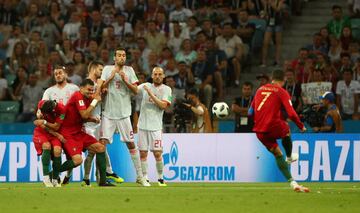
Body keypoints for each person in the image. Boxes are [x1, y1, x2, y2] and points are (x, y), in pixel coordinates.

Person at [249, 69, 309, 192]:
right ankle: (289, 156)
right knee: (286, 128)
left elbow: (250, 112)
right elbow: (291, 114)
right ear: (284, 80)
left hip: (259, 131)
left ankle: (293, 183)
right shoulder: (281, 91)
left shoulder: (259, 89)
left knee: (277, 153)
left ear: (272, 78)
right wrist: (301, 126)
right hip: (271, 125)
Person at [97, 47, 149, 186]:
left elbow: (136, 91)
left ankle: (140, 176)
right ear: (114, 58)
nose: (121, 57)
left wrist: (126, 80)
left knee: (131, 143)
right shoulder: (107, 69)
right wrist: (111, 77)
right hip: (108, 113)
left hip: (124, 113)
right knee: (101, 144)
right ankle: (103, 176)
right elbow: (100, 88)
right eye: (119, 55)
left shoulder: (130, 70)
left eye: (124, 55)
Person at [57, 79, 114, 187]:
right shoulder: (78, 96)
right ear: (81, 88)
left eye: (92, 90)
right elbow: (83, 115)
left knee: (101, 148)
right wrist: (94, 102)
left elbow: (80, 118)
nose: (90, 92)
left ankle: (102, 182)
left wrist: (91, 119)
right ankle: (53, 173)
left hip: (78, 132)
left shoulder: (87, 98)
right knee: (78, 160)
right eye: (88, 90)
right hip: (68, 134)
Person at [82, 61, 124, 187]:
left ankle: (97, 177)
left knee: (99, 149)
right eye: (100, 70)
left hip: (98, 120)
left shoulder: (97, 84)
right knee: (93, 150)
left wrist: (103, 93)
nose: (101, 72)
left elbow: (99, 100)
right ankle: (95, 176)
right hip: (88, 123)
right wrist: (104, 83)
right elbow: (90, 99)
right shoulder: (86, 83)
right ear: (93, 69)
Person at [42, 65, 79, 184]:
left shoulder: (74, 89)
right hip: (56, 127)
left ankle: (67, 175)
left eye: (60, 73)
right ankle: (55, 177)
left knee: (70, 155)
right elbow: (42, 107)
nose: (58, 75)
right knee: (55, 153)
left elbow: (79, 106)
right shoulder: (49, 91)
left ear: (65, 74)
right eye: (56, 74)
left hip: (70, 126)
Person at [137, 67, 172, 186]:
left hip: (156, 127)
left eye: (160, 74)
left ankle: (161, 178)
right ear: (152, 76)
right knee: (143, 154)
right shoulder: (145, 85)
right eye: (155, 74)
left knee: (157, 153)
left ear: (163, 76)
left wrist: (150, 94)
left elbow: (163, 106)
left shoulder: (167, 89)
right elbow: (133, 90)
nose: (157, 76)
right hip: (142, 126)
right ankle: (145, 177)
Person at [32, 100, 66, 187]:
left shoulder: (62, 110)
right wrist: (57, 135)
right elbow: (40, 124)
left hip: (54, 133)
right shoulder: (42, 103)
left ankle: (55, 179)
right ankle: (46, 179)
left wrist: (44, 121)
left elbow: (56, 126)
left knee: (57, 151)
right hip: (41, 132)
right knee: (46, 146)